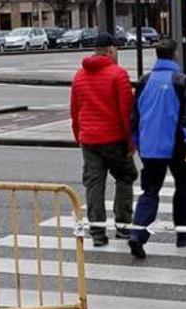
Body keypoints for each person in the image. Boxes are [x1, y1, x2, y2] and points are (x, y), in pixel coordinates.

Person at [129, 39, 186, 259]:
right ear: (175, 54)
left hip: (150, 147)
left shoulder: (144, 81)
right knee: (183, 187)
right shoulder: (182, 81)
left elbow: (134, 116)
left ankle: (138, 233)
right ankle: (183, 235)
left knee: (149, 191)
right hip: (181, 145)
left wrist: (138, 142)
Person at [69, 31, 136, 247]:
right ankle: (123, 225)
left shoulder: (79, 75)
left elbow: (75, 110)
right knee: (125, 176)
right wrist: (131, 141)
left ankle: (97, 232)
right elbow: (126, 112)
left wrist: (78, 135)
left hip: (88, 138)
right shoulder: (118, 74)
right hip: (114, 137)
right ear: (110, 50)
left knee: (94, 184)